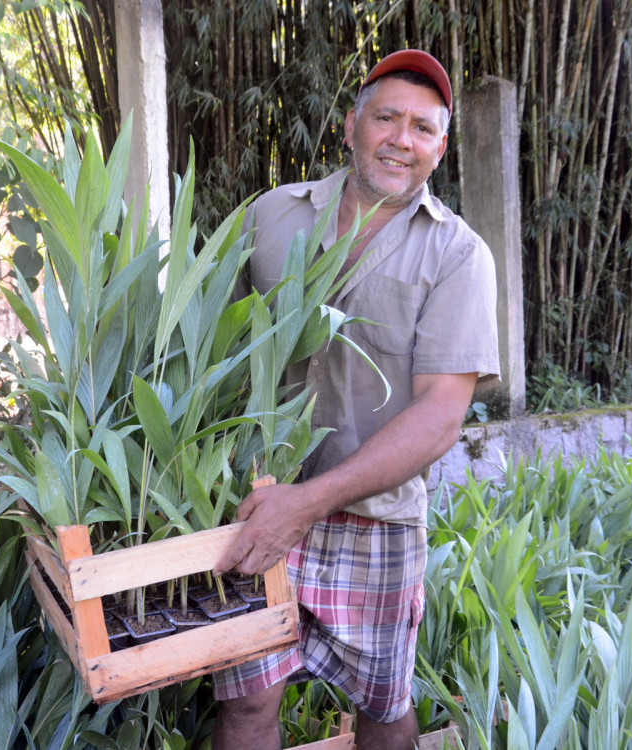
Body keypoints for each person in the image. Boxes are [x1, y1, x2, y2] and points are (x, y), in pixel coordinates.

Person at [211, 49, 499, 750]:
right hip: (258, 500)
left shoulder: (458, 254)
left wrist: (308, 504)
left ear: (440, 147)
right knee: (246, 706)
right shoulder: (272, 216)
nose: (403, 139)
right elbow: (210, 349)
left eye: (424, 129)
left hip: (376, 519)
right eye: (387, 118)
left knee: (382, 700)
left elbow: (438, 419)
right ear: (351, 125)